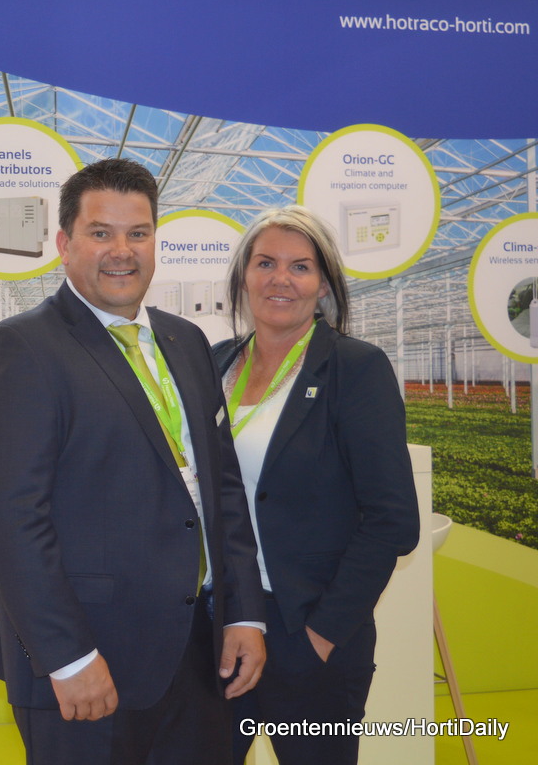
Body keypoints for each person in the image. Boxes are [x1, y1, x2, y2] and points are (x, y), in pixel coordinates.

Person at [0, 158, 267, 764]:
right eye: (100, 232)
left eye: (138, 233)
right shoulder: (22, 348)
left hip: (201, 651)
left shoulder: (186, 342)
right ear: (64, 244)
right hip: (89, 663)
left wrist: (245, 615)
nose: (121, 251)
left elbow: (222, 488)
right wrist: (69, 657)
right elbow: (11, 519)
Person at [212, 205, 420, 764]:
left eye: (300, 266)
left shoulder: (355, 369)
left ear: (323, 284)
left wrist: (319, 638)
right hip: (220, 625)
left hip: (306, 630)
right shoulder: (215, 365)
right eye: (265, 263)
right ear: (244, 275)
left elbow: (392, 521)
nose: (280, 279)